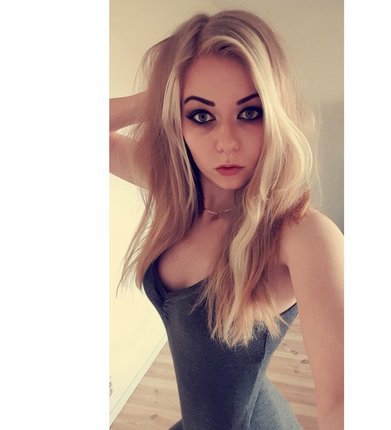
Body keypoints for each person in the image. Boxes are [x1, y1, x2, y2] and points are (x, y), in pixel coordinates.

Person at [110, 9, 343, 430]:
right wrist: (164, 90)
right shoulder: (179, 192)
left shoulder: (300, 234)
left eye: (250, 113)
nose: (227, 143)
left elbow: (343, 398)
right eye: (201, 115)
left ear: (276, 115)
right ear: (177, 120)